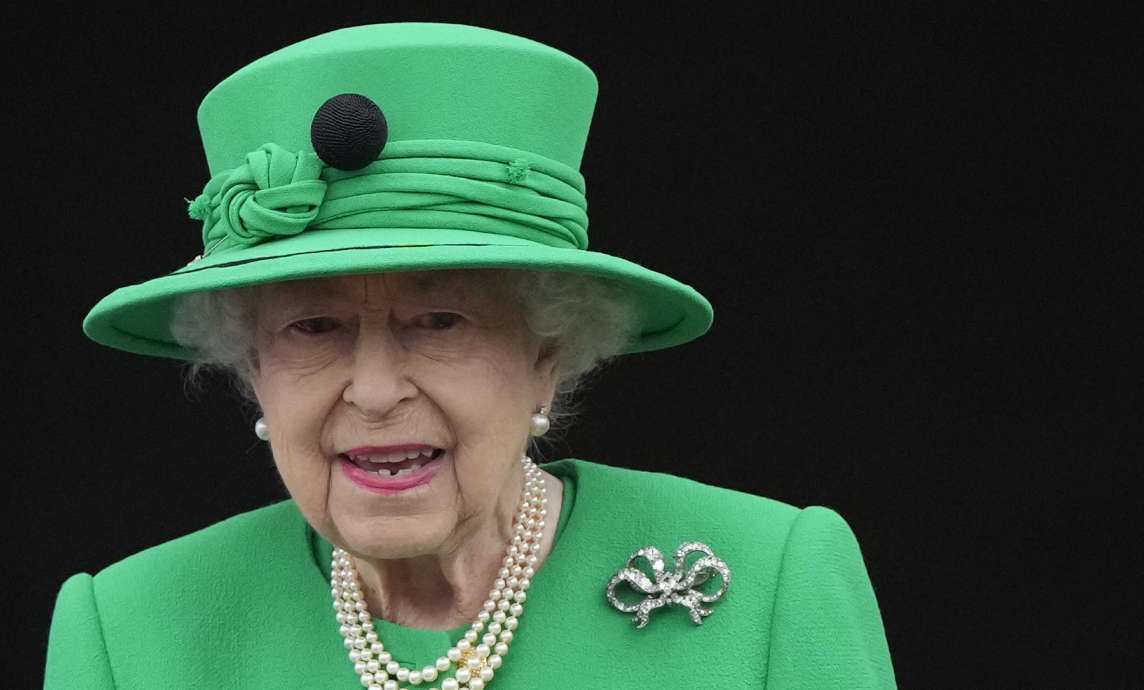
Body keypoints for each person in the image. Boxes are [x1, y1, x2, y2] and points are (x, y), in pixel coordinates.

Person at [44, 21, 896, 689]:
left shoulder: (772, 582)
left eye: (440, 322)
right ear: (252, 369)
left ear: (549, 354)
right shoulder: (129, 631)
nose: (374, 392)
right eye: (314, 328)